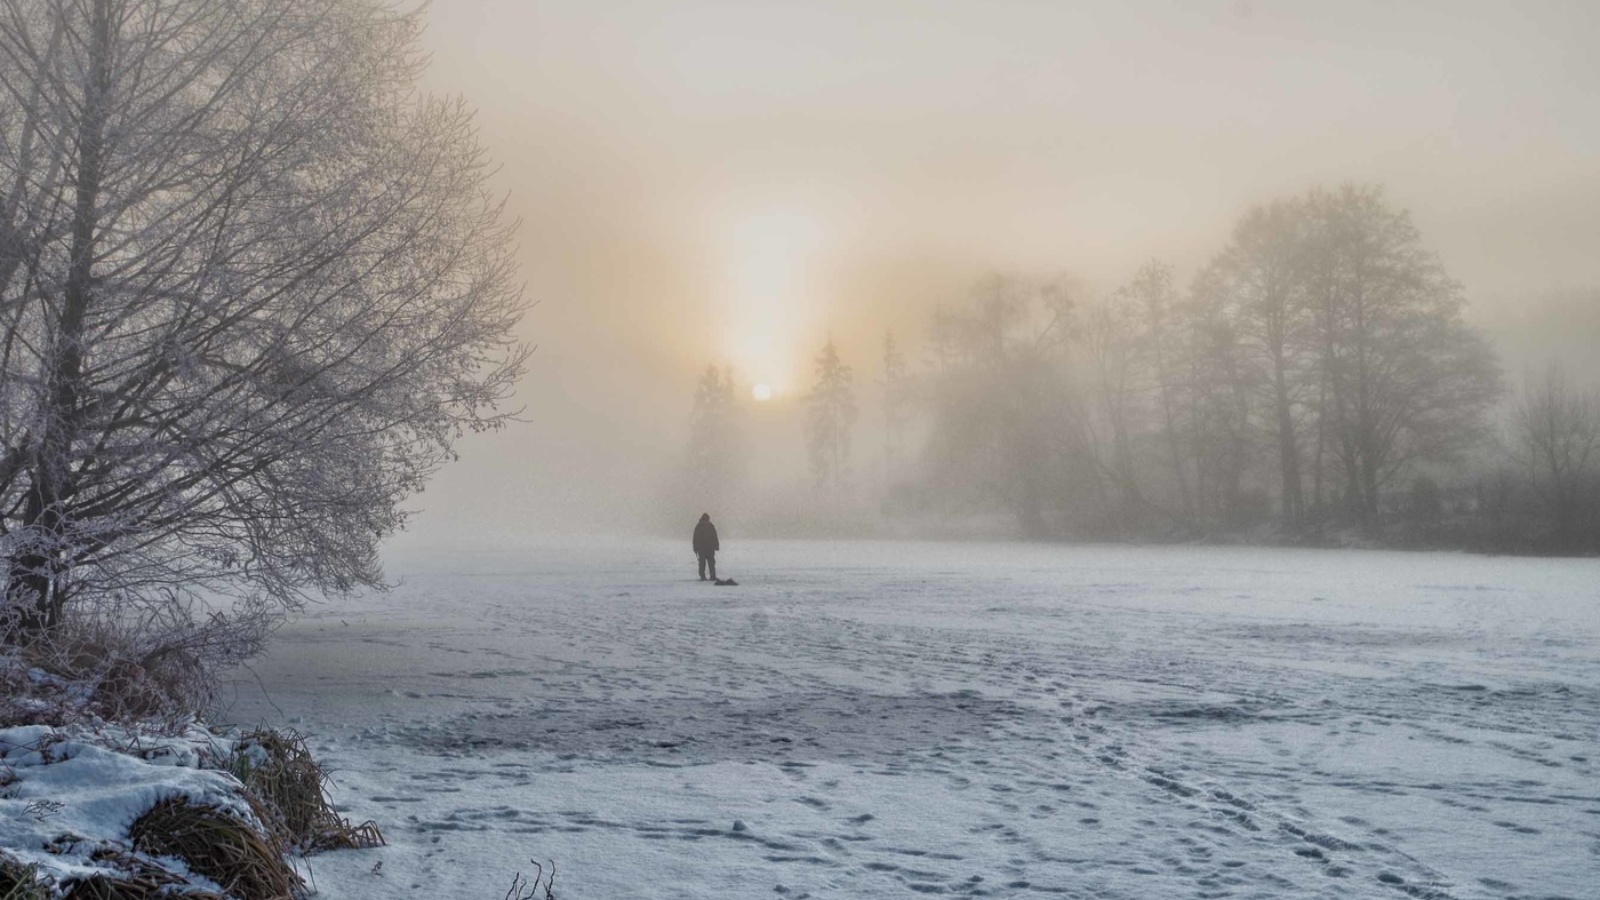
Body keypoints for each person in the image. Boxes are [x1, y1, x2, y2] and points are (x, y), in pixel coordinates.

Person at [693, 512, 719, 581]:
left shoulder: (711, 526)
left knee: (711, 563)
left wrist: (716, 546)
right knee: (702, 563)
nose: (707, 521)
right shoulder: (699, 527)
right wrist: (695, 548)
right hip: (702, 548)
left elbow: (714, 536)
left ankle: (712, 576)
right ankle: (702, 576)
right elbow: (695, 538)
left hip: (710, 548)